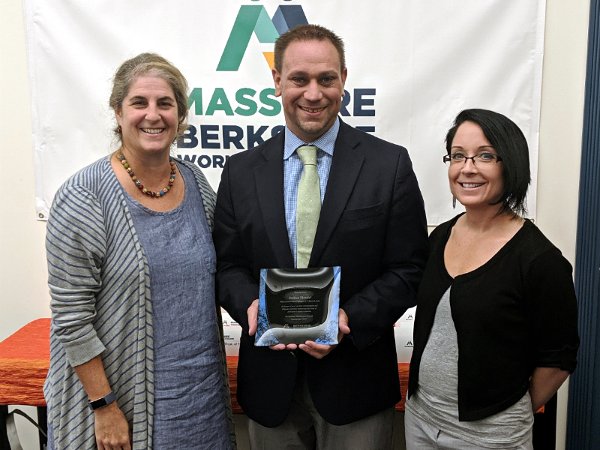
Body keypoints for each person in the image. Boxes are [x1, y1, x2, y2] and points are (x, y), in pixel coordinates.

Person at [213, 24, 428, 449]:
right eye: (299, 79)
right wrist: (251, 306)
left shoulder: (389, 165)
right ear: (277, 82)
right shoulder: (240, 171)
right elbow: (227, 265)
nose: (313, 93)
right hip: (270, 386)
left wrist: (348, 321)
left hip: (356, 382)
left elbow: (409, 267)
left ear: (343, 81)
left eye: (326, 79)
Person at [44, 53, 236, 449]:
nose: (153, 115)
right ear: (118, 112)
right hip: (119, 406)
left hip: (199, 402)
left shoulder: (196, 182)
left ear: (180, 115)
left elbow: (227, 263)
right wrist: (104, 406)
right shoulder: (84, 196)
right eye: (139, 103)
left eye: (165, 104)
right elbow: (71, 319)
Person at [405, 108, 579, 449]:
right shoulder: (440, 236)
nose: (467, 168)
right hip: (421, 419)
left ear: (509, 164)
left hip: (492, 437)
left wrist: (505, 413)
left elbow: (559, 359)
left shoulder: (540, 260)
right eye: (457, 156)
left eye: (485, 156)